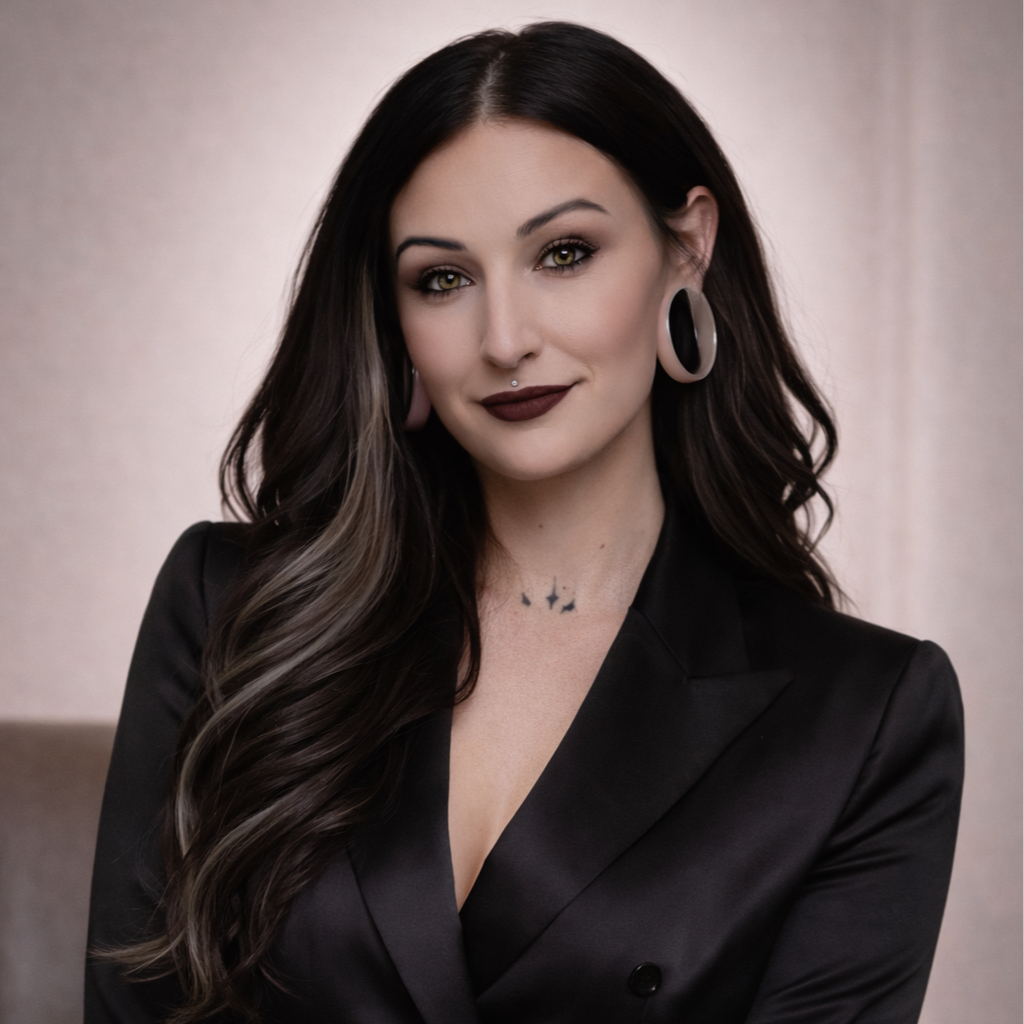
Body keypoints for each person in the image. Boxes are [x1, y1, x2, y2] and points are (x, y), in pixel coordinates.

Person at [85, 21, 963, 1024]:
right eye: (443, 279)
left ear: (687, 247)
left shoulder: (863, 715)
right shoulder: (229, 610)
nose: (504, 339)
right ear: (393, 317)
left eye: (564, 253)